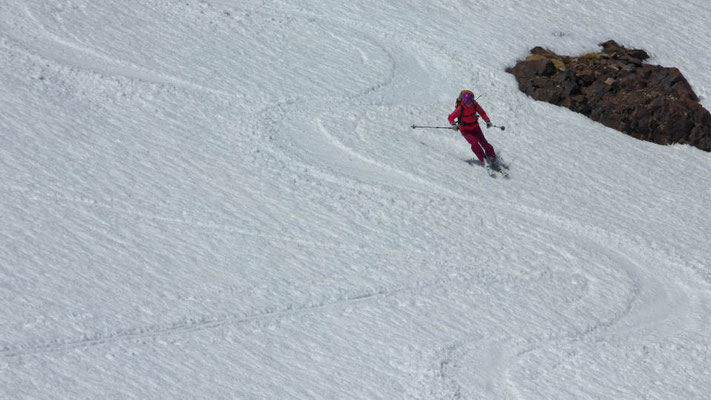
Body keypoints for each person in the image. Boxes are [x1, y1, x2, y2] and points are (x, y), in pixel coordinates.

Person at [448, 91, 497, 166]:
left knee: (484, 143)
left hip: (476, 127)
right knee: (474, 143)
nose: (469, 104)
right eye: (467, 102)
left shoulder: (475, 105)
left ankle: (493, 158)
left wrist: (487, 120)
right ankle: (483, 159)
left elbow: (482, 113)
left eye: (470, 101)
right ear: (464, 101)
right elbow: (451, 117)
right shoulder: (460, 108)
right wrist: (453, 124)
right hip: (465, 130)